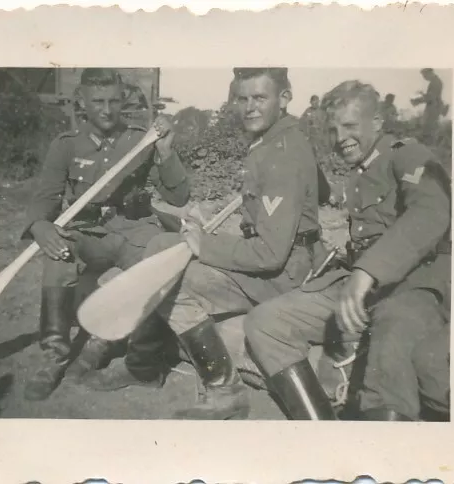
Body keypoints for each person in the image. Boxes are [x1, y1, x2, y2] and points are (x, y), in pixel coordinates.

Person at [85, 67, 328, 419]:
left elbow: (270, 255)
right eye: (242, 99)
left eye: (260, 98)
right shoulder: (280, 140)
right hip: (287, 256)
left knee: (170, 275)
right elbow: (322, 191)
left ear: (285, 98)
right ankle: (145, 363)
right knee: (161, 246)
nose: (249, 108)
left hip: (284, 274)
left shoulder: (281, 153)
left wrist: (205, 245)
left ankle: (222, 389)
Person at [244, 80, 451, 421]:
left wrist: (367, 271)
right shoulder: (358, 173)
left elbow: (430, 213)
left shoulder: (406, 154)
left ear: (378, 123)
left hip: (415, 285)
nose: (340, 138)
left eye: (351, 126)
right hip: (363, 285)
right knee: (266, 321)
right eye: (333, 129)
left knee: (393, 343)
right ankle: (321, 427)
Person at [22, 68, 190, 401]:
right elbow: (46, 197)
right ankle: (54, 355)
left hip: (132, 229)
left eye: (114, 100)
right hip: (86, 232)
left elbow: (179, 197)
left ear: (123, 100)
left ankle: (128, 356)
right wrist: (39, 225)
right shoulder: (66, 145)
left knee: (156, 264)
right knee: (57, 251)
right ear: (81, 102)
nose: (107, 109)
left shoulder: (141, 139)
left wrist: (167, 151)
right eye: (97, 100)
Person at [411, 68, 449, 145]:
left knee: (428, 130)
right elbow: (433, 96)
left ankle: (430, 147)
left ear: (429, 73)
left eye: (424, 75)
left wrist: (417, 101)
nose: (424, 77)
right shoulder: (435, 82)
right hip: (434, 108)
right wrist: (423, 95)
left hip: (433, 110)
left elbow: (431, 97)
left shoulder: (435, 82)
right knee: (429, 130)